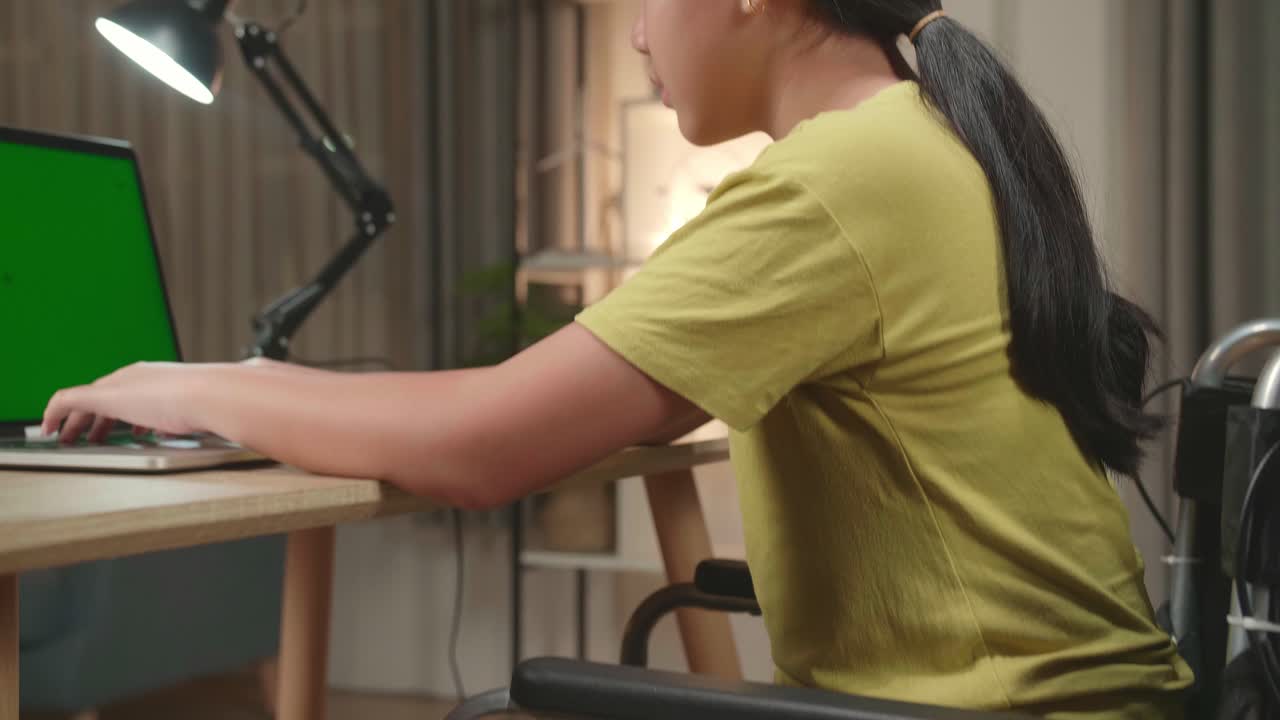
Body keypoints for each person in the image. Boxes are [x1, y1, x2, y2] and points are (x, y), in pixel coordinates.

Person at [44, 0, 1193, 716]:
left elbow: (477, 450)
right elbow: (579, 404)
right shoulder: (914, 141)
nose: (636, 30)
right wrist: (240, 389)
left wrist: (195, 383)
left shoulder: (838, 182)